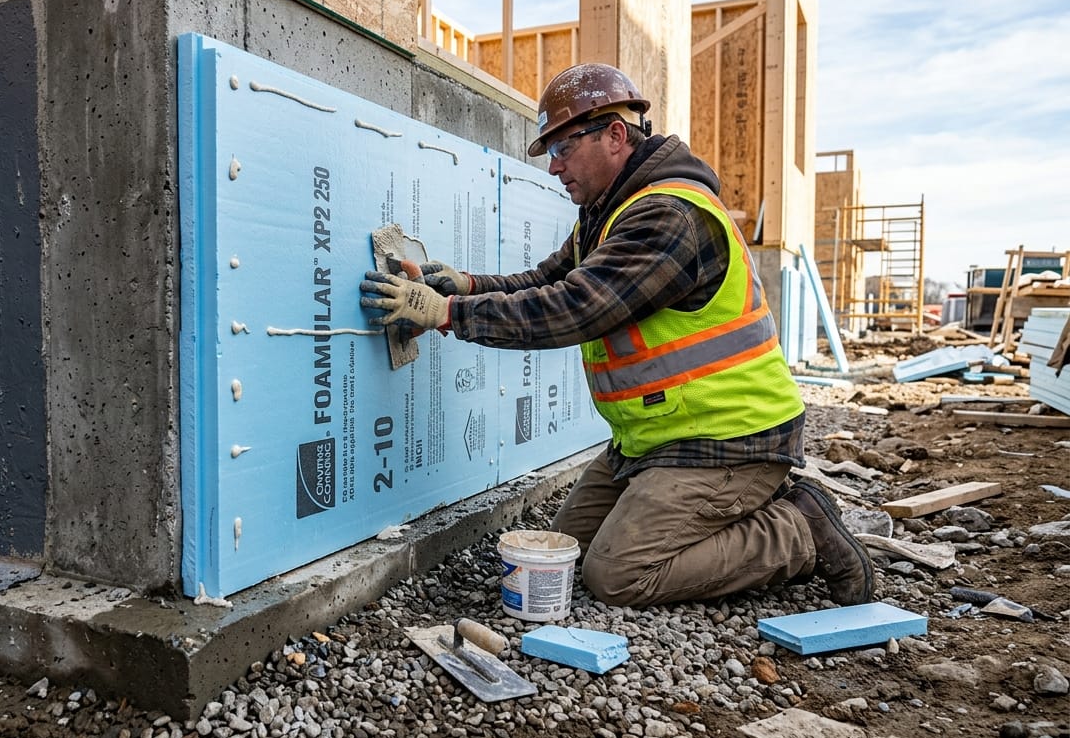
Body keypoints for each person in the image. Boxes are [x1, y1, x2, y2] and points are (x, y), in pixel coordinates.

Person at [359, 63, 873, 608]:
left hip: (729, 439)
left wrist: (448, 314)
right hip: (654, 441)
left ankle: (797, 529)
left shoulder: (668, 217)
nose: (554, 168)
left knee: (616, 575)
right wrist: (465, 283)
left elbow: (576, 308)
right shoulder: (608, 211)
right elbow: (551, 278)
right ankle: (722, 512)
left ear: (615, 134)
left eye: (561, 150)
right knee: (567, 548)